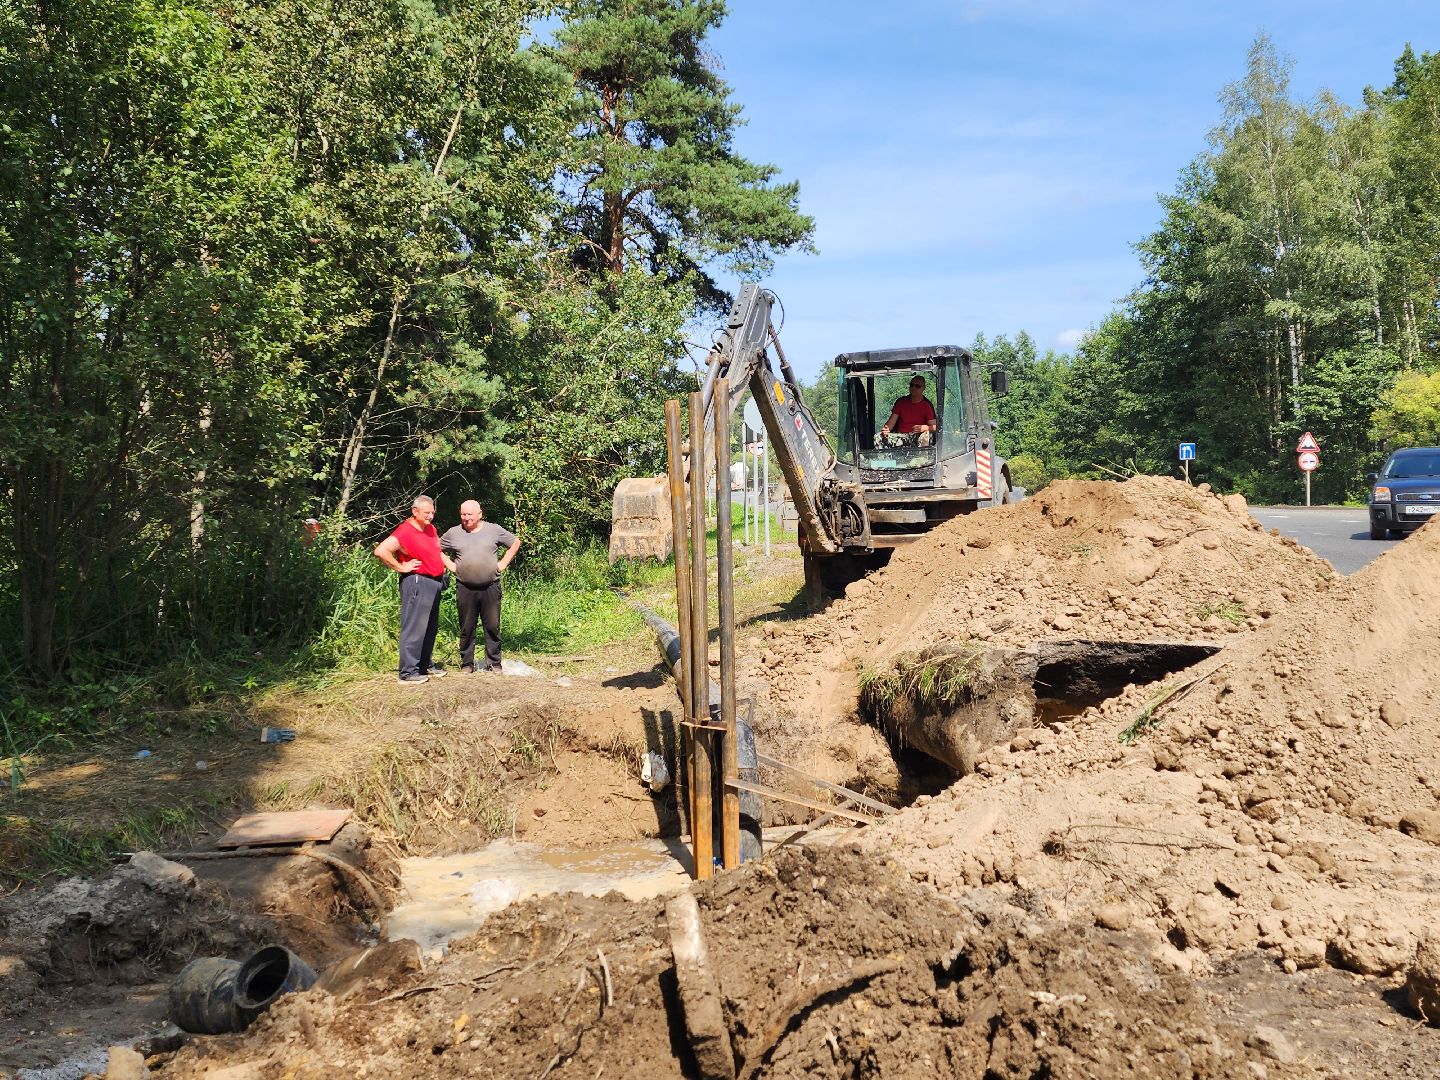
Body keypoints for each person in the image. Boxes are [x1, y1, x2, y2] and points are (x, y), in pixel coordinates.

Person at [374, 496, 455, 685]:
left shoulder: (430, 529)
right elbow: (381, 551)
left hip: (434, 582)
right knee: (414, 627)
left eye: (433, 512)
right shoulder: (405, 532)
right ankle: (408, 672)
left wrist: (450, 566)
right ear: (415, 511)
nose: (431, 516)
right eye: (427, 513)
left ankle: (423, 665)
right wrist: (401, 567)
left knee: (429, 627)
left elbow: (437, 551)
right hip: (418, 582)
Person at [440, 500, 521, 674]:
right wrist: (451, 566)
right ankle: (467, 664)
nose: (466, 518)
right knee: (466, 627)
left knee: (492, 626)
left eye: (470, 514)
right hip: (465, 587)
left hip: (490, 586)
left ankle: (494, 663)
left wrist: (502, 564)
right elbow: (436, 548)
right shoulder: (454, 533)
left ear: (480, 514)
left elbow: (515, 543)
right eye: (463, 514)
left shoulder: (494, 530)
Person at [879, 376, 937, 444]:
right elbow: (891, 423)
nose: (913, 388)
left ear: (924, 388)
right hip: (901, 436)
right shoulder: (901, 402)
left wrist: (926, 428)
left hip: (917, 437)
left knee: (927, 437)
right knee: (878, 437)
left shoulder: (927, 406)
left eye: (917, 386)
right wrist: (886, 429)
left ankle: (923, 455)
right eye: (911, 385)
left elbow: (935, 427)